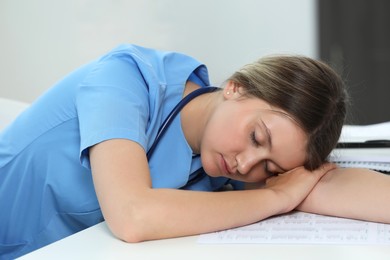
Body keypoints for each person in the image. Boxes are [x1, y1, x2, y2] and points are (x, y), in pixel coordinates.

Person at [1, 44, 389, 259]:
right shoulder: (125, 78)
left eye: (270, 166)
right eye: (257, 137)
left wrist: (288, 186)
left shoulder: (223, 160)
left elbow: (326, 184)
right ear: (236, 87)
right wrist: (276, 195)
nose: (246, 165)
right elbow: (133, 217)